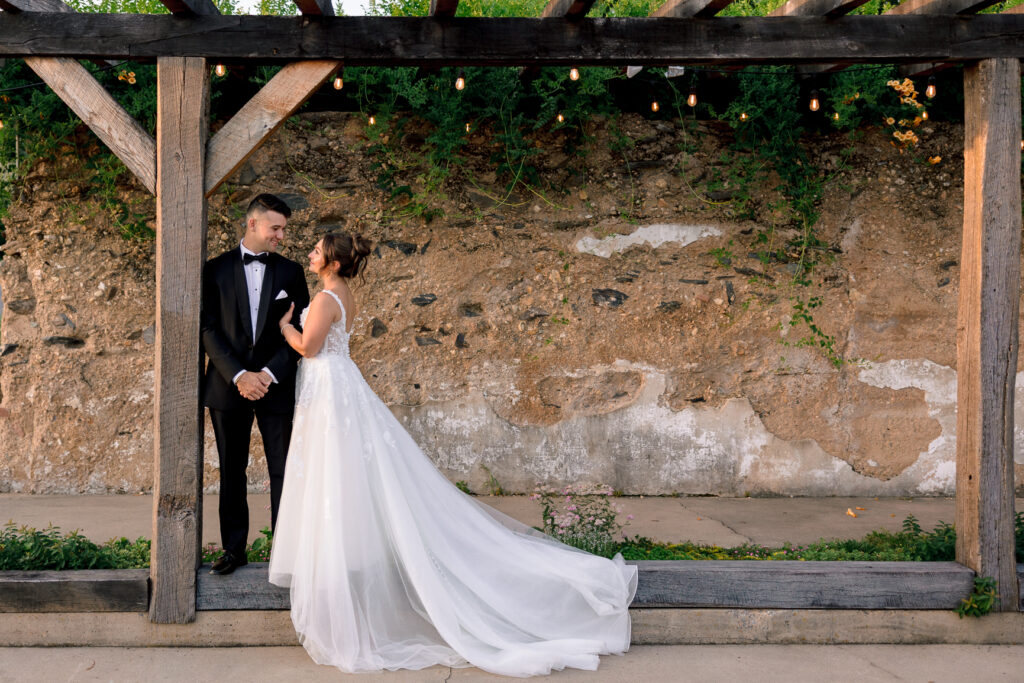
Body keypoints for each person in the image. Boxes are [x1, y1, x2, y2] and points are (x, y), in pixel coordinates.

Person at [269, 232, 637, 677]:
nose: (309, 253)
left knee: (334, 477)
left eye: (316, 249)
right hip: (338, 385)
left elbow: (309, 348)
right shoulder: (344, 293)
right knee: (345, 476)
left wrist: (287, 326)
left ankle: (341, 585)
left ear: (330, 260)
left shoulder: (327, 298)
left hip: (330, 389)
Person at [200, 193, 310, 576]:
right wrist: (239, 375)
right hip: (227, 386)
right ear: (252, 224)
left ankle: (285, 551)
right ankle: (233, 549)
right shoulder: (214, 269)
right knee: (231, 468)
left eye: (283, 229)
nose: (281, 235)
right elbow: (207, 327)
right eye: (275, 228)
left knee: (283, 468)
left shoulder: (291, 272)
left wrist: (266, 374)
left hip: (275, 385)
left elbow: (302, 329)